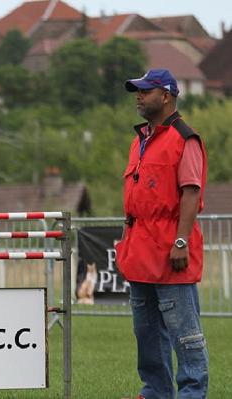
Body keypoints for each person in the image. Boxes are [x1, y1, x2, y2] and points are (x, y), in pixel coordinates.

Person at [115, 69, 209, 399]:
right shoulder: (139, 140)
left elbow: (191, 193)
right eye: (136, 92)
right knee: (147, 334)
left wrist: (181, 241)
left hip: (172, 253)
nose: (138, 97)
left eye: (145, 91)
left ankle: (192, 394)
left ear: (166, 95)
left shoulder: (185, 138)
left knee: (185, 336)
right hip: (139, 253)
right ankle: (154, 392)